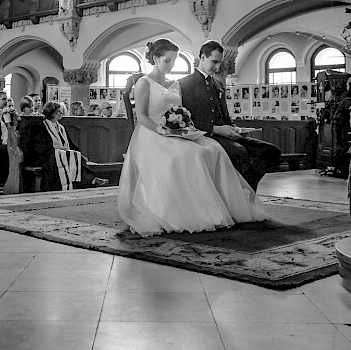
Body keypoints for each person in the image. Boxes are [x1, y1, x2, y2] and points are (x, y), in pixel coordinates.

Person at [118, 39, 266, 236]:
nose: (171, 66)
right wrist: (163, 131)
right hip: (152, 133)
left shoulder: (175, 84)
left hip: (175, 131)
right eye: (167, 61)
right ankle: (184, 210)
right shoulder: (144, 83)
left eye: (174, 62)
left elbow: (180, 111)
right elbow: (142, 117)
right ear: (155, 59)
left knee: (213, 150)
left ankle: (223, 206)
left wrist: (181, 128)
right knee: (191, 155)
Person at [179, 40, 281, 191]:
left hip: (227, 134)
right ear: (202, 57)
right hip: (206, 136)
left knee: (272, 152)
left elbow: (224, 114)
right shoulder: (184, 84)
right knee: (239, 152)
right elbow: (185, 121)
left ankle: (247, 188)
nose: (218, 67)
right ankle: (240, 191)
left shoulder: (217, 84)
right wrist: (215, 129)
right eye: (214, 62)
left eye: (219, 63)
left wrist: (234, 128)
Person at [32, 102, 86, 190]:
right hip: (47, 155)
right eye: (58, 112)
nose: (61, 113)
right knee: (58, 158)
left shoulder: (60, 127)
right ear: (52, 113)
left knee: (76, 155)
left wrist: (79, 152)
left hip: (60, 153)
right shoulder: (41, 127)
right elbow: (40, 147)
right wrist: (56, 150)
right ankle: (89, 181)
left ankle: (87, 181)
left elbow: (70, 144)